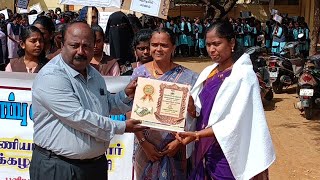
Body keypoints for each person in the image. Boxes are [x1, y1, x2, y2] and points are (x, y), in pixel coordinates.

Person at [29, 21, 146, 180]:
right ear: (61, 44)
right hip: (59, 168)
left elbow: (105, 104)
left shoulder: (94, 74)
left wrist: (126, 95)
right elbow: (79, 117)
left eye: (86, 46)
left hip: (94, 166)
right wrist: (123, 126)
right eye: (74, 45)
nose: (80, 51)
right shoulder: (52, 76)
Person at [175, 21, 275, 180]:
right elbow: (201, 112)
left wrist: (197, 134)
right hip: (203, 146)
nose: (211, 50)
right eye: (208, 45)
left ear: (232, 42)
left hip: (228, 150)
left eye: (217, 44)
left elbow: (236, 120)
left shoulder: (243, 75)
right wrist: (191, 108)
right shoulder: (208, 72)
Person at [131, 28, 199, 180]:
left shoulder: (189, 77)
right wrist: (144, 143)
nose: (158, 49)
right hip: (145, 147)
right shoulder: (139, 74)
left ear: (173, 48)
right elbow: (131, 111)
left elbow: (196, 116)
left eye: (164, 45)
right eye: (154, 45)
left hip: (175, 147)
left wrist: (178, 143)